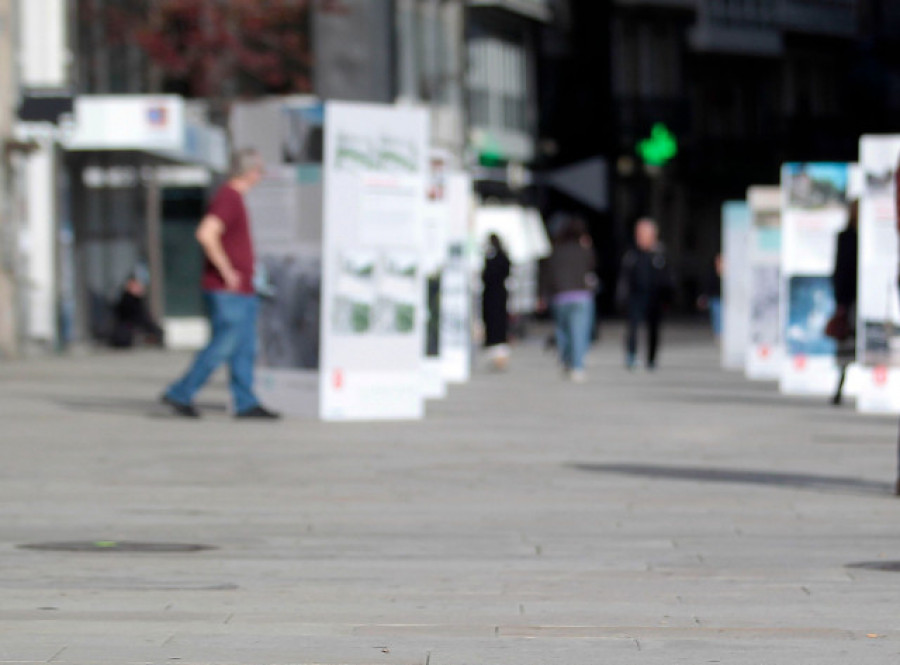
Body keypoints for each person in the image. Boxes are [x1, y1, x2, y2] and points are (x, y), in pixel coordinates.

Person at [161, 148, 280, 419]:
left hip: (243, 290)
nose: (261, 176)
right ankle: (181, 392)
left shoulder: (234, 198)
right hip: (229, 291)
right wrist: (227, 271)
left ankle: (245, 401)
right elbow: (206, 233)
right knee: (223, 346)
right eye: (260, 170)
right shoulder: (228, 197)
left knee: (244, 348)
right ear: (249, 172)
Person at [542, 216, 597, 382]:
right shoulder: (584, 250)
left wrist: (544, 294)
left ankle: (566, 360)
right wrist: (587, 247)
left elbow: (548, 274)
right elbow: (592, 266)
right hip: (581, 296)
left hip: (560, 296)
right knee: (579, 332)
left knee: (563, 331)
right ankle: (577, 366)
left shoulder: (556, 251)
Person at [617, 218, 674, 370]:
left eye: (644, 234)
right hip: (635, 296)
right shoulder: (631, 254)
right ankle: (631, 355)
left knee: (654, 328)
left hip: (655, 297)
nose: (640, 237)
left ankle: (651, 358)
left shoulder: (661, 254)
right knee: (632, 327)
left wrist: (668, 298)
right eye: (638, 234)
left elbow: (668, 277)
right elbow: (624, 277)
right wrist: (622, 296)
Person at [829, 200, 857, 406]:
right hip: (850, 299)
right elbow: (840, 271)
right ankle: (839, 386)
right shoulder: (847, 237)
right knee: (846, 344)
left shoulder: (865, 237)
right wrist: (840, 301)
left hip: (861, 297)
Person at [482, 233, 511, 370]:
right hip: (498, 293)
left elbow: (487, 275)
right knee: (497, 322)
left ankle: (497, 353)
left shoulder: (493, 257)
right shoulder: (502, 256)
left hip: (493, 293)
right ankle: (498, 353)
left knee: (494, 322)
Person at [109, 275, 164, 348]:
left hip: (139, 326)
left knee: (157, 331)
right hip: (127, 328)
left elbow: (145, 318)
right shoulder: (126, 300)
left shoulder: (140, 301)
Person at [697, 253, 723, 341]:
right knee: (716, 316)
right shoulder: (712, 273)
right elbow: (708, 286)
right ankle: (718, 334)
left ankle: (723, 333)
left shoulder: (728, 273)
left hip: (723, 298)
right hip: (715, 298)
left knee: (722, 316)